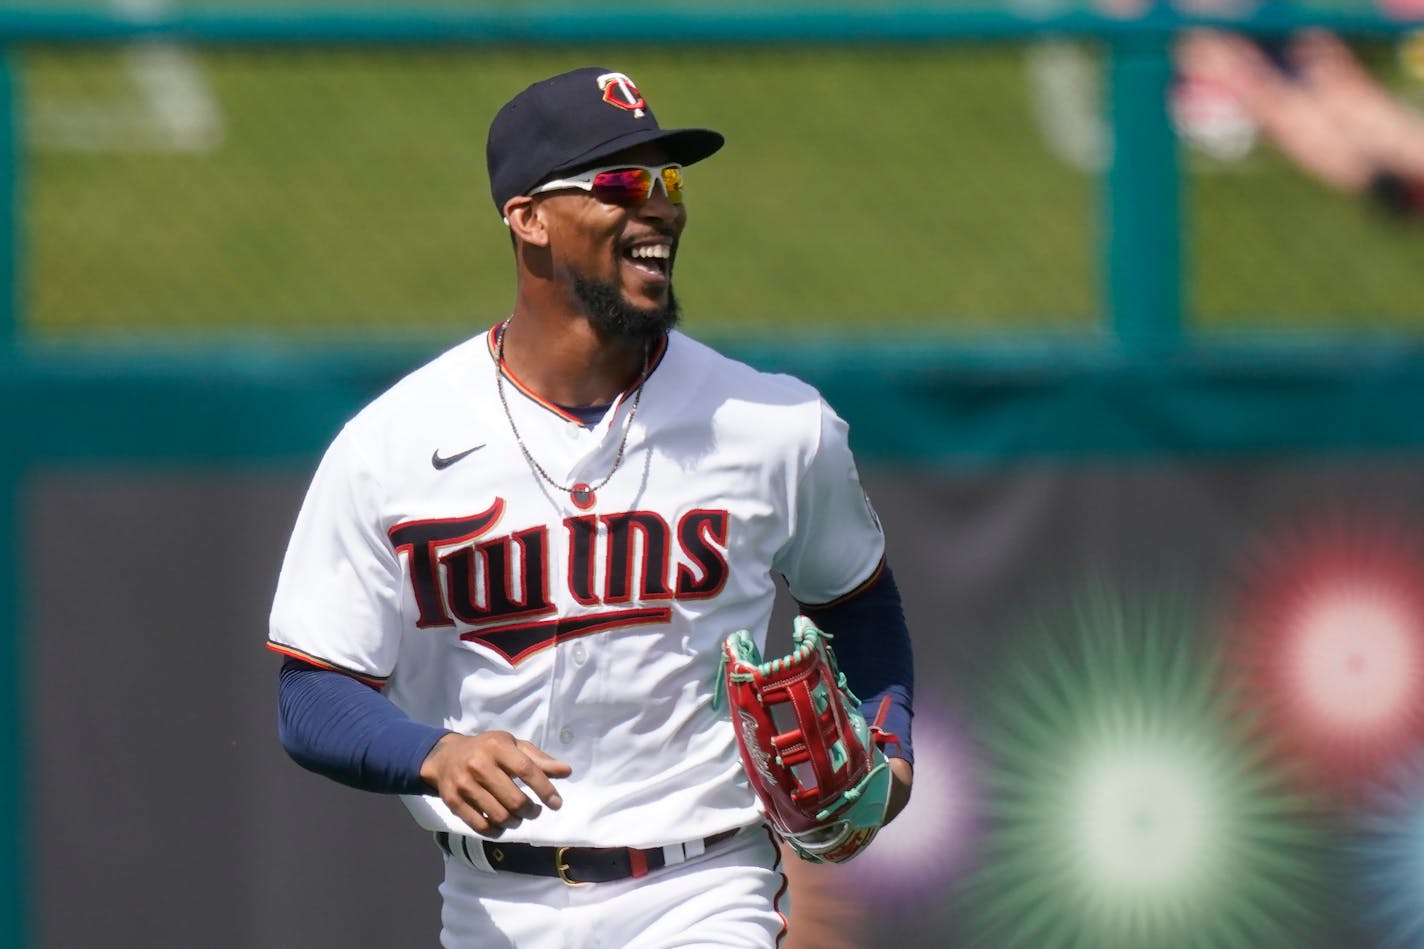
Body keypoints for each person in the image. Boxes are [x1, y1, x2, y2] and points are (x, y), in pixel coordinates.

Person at [267, 66, 915, 948]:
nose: (659, 209)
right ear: (526, 217)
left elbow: (856, 597)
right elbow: (314, 688)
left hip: (705, 884)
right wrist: (431, 752)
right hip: (493, 901)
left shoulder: (776, 426)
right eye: (619, 183)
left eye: (669, 182)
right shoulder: (392, 446)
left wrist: (888, 735)